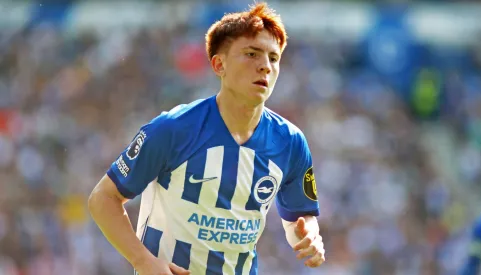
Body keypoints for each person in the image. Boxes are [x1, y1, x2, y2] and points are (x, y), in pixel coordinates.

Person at [88, 2, 325, 274]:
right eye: (251, 54)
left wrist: (309, 236)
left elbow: (299, 217)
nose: (265, 66)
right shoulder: (173, 129)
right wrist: (142, 260)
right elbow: (103, 199)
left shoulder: (291, 142)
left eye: (273, 58)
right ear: (218, 64)